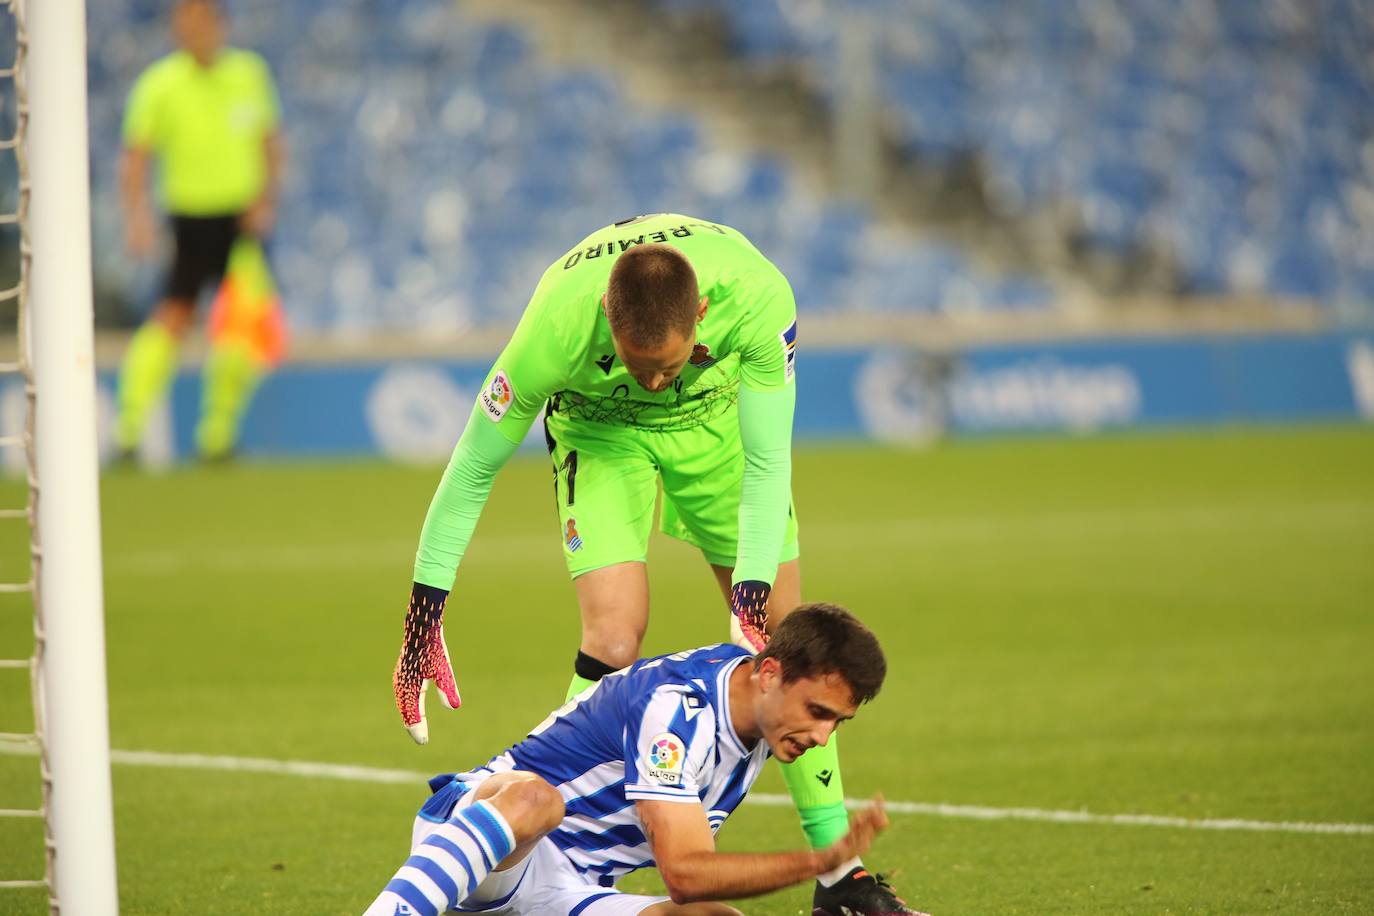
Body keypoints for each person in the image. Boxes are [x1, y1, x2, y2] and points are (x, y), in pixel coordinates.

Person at [393, 213, 910, 913]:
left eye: (669, 364)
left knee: (788, 637)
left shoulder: (760, 299)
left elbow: (766, 465)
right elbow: (471, 468)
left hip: (715, 427)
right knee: (612, 635)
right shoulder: (554, 327)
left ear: (701, 313)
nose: (657, 381)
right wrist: (425, 617)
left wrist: (751, 596)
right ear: (607, 313)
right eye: (641, 365)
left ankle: (838, 885)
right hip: (600, 428)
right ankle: (551, 856)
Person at [366, 604, 925, 916]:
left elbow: (696, 884)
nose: (823, 736)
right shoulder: (679, 709)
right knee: (538, 798)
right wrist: (819, 861)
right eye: (818, 711)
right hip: (490, 846)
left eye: (837, 722)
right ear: (771, 673)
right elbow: (683, 875)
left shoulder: (758, 721)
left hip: (570, 890)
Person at [116, 0, 286, 462]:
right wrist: (137, 218)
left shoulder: (249, 74)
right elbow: (135, 157)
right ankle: (128, 429)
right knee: (170, 318)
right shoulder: (160, 84)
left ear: (219, 24)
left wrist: (267, 198)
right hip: (190, 220)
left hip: (241, 220)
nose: (189, 29)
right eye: (182, 21)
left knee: (239, 327)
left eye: (198, 19)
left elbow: (271, 142)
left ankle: (218, 436)